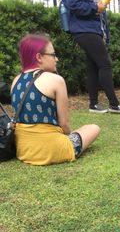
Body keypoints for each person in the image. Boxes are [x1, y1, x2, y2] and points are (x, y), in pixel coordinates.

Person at [11, 33, 100, 165]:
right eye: (53, 55)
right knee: (94, 128)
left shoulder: (16, 80)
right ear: (39, 57)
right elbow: (64, 124)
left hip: (23, 150)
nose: (56, 59)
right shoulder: (56, 80)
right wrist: (68, 136)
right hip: (51, 149)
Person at [64, 0, 120, 114]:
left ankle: (93, 104)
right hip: (84, 29)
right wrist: (95, 7)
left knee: (93, 67)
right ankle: (114, 104)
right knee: (105, 64)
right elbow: (72, 3)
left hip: (92, 29)